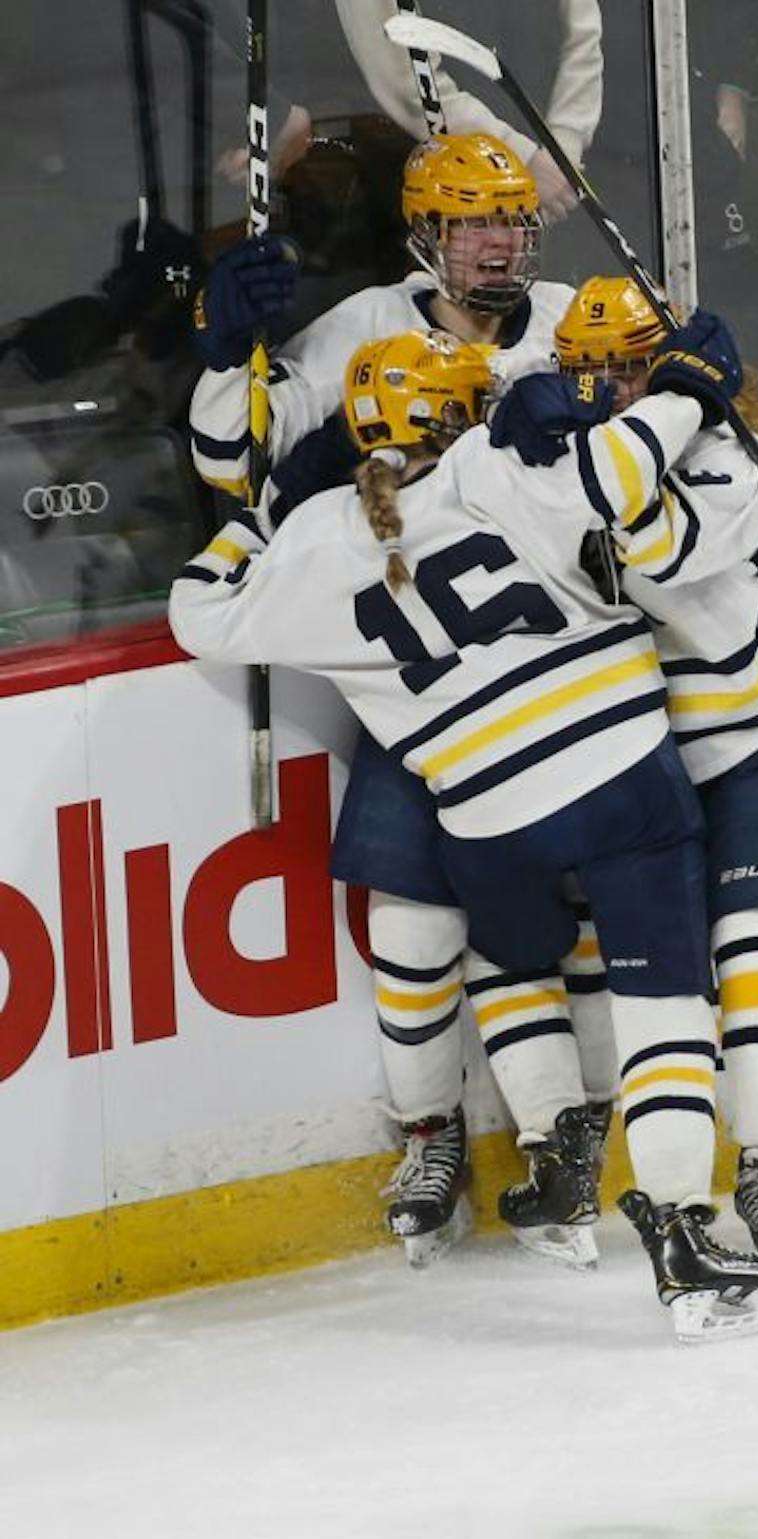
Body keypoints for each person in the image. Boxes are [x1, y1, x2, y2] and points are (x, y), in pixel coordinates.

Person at [169, 321, 758, 1343]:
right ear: (465, 410)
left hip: (485, 815)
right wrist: (686, 386)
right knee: (662, 1005)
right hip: (621, 780)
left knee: (506, 962)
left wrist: (266, 509)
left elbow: (197, 613)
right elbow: (619, 475)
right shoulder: (496, 460)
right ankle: (682, 1234)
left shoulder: (312, 541)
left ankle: (557, 1143)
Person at [187, 132, 613, 1267]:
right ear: (425, 231)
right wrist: (231, 358)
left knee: (562, 934)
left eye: (511, 217)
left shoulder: (575, 312)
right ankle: (430, 1135)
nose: (495, 241)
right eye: (471, 220)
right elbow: (239, 471)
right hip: (422, 688)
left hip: (560, 673)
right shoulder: (364, 328)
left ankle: (559, 1142)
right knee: (412, 930)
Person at [546, 278, 758, 1257]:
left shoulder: (728, 454)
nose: (613, 391)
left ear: (669, 367)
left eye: (632, 368)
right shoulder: (554, 468)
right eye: (590, 374)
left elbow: (655, 552)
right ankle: (659, 1186)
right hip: (640, 762)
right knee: (649, 983)